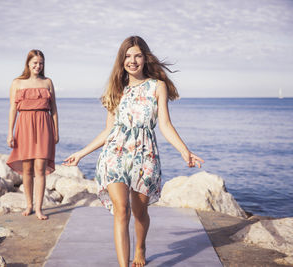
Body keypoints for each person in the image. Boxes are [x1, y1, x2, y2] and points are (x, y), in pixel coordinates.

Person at [63, 36, 203, 266]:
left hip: (144, 155)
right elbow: (108, 130)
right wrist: (81, 153)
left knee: (139, 212)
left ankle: (140, 247)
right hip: (114, 155)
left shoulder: (157, 86)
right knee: (121, 210)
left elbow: (166, 125)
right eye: (127, 56)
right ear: (122, 60)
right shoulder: (117, 90)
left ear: (145, 58)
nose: (132, 60)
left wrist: (184, 151)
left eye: (137, 55)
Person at [7, 49, 59, 220]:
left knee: (40, 169)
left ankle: (39, 208)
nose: (38, 65)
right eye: (35, 62)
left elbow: (54, 110)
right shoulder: (17, 83)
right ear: (28, 63)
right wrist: (10, 133)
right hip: (24, 127)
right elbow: (13, 110)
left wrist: (56, 131)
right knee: (27, 169)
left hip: (44, 127)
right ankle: (28, 205)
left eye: (41, 63)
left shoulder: (48, 82)